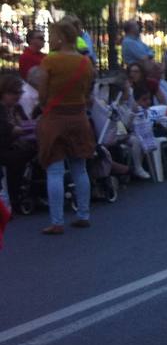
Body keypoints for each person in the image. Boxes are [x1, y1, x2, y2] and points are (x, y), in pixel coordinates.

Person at [34, 19, 96, 235]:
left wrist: (46, 105)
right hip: (79, 117)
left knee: (55, 169)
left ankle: (57, 221)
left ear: (60, 37)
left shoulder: (50, 61)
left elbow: (42, 93)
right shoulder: (85, 62)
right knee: (80, 168)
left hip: (55, 118)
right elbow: (87, 90)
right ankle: (84, 214)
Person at [1, 72, 38, 207]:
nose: (17, 96)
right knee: (19, 157)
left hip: (16, 144)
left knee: (36, 150)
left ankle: (33, 190)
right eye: (13, 93)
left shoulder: (17, 108)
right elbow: (9, 129)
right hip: (4, 146)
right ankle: (14, 195)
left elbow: (26, 122)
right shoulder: (1, 110)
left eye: (19, 93)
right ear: (4, 93)